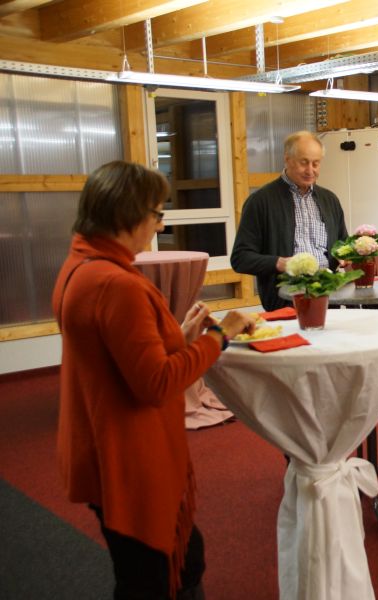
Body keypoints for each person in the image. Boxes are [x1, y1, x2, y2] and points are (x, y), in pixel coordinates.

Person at [52, 161, 257, 599]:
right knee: (153, 574)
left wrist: (179, 337)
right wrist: (220, 336)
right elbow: (157, 383)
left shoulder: (80, 264)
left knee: (166, 561)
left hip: (100, 442)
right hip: (126, 455)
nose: (160, 226)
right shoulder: (117, 284)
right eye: (156, 214)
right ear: (128, 215)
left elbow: (116, 355)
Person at [231, 131, 348, 311]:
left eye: (316, 163)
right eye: (304, 162)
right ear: (287, 159)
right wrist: (280, 263)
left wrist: (347, 257)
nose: (310, 170)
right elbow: (240, 258)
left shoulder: (329, 200)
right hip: (285, 299)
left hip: (329, 297)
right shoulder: (260, 201)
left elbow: (342, 244)